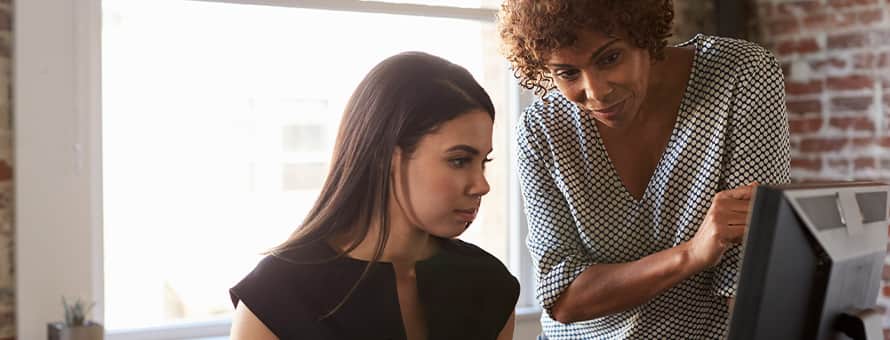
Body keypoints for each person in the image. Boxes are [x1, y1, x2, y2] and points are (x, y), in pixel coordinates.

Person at [497, 0, 790, 338]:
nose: (596, 92)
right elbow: (563, 297)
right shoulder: (541, 130)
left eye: (609, 58)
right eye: (567, 73)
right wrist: (691, 254)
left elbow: (747, 271)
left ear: (644, 34)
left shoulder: (740, 73)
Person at [228, 52, 519, 340]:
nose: (482, 185)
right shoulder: (276, 295)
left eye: (484, 162)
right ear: (385, 156)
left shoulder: (492, 286)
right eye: (459, 160)